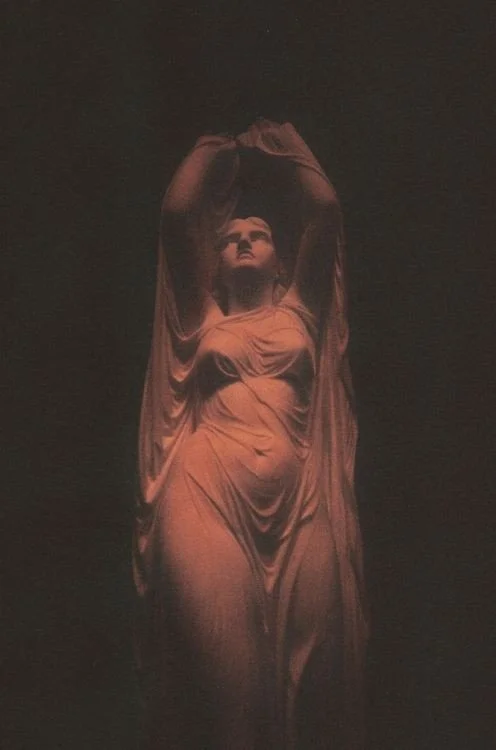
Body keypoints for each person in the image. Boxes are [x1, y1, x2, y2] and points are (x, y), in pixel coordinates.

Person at [133, 120, 368, 750]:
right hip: (207, 495)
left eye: (256, 235)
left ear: (279, 260)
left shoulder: (301, 313)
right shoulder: (202, 319)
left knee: (309, 692)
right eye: (231, 237)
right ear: (216, 263)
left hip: (300, 504)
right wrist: (212, 147)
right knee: (228, 696)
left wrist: (286, 145)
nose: (241, 240)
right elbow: (178, 215)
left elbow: (325, 211)